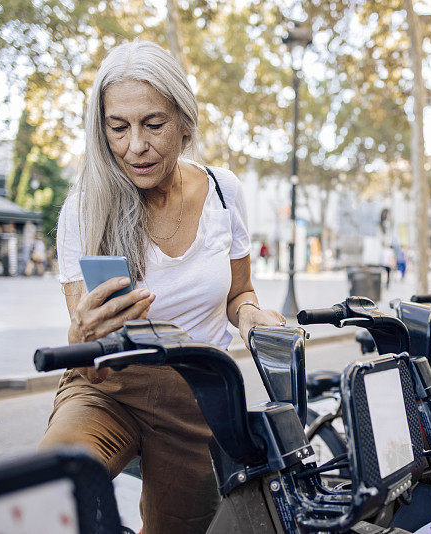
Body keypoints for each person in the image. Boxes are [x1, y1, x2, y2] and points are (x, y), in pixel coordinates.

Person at [39, 40, 286, 533]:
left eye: (153, 124)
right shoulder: (86, 207)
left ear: (184, 122)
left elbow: (240, 292)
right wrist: (80, 337)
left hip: (198, 395)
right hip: (107, 389)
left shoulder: (222, 190)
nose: (135, 145)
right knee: (49, 498)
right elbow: (83, 342)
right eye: (118, 127)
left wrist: (250, 314)